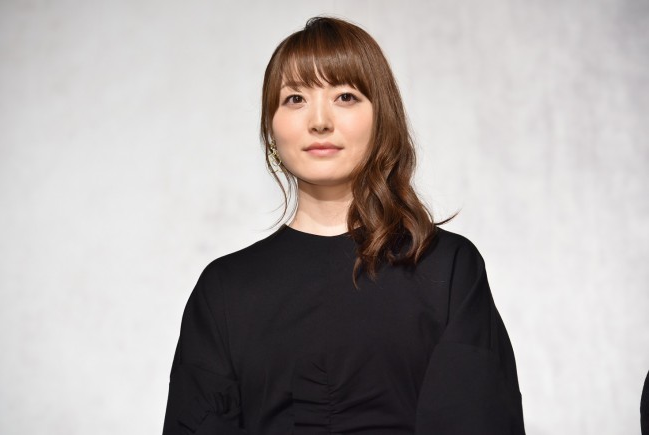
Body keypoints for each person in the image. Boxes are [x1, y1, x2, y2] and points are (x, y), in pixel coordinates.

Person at [162, 16, 525, 435]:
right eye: (295, 99)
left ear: (381, 119)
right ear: (271, 128)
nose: (319, 121)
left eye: (345, 96)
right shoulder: (225, 289)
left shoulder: (447, 268)